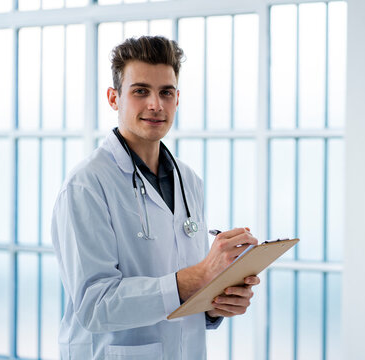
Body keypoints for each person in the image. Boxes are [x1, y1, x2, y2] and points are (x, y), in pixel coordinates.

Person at [51, 35, 260, 360]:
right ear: (113, 97)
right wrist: (198, 276)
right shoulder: (86, 184)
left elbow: (183, 290)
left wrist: (216, 303)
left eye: (166, 92)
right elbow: (94, 306)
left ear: (177, 99)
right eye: (140, 91)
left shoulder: (189, 180)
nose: (155, 104)